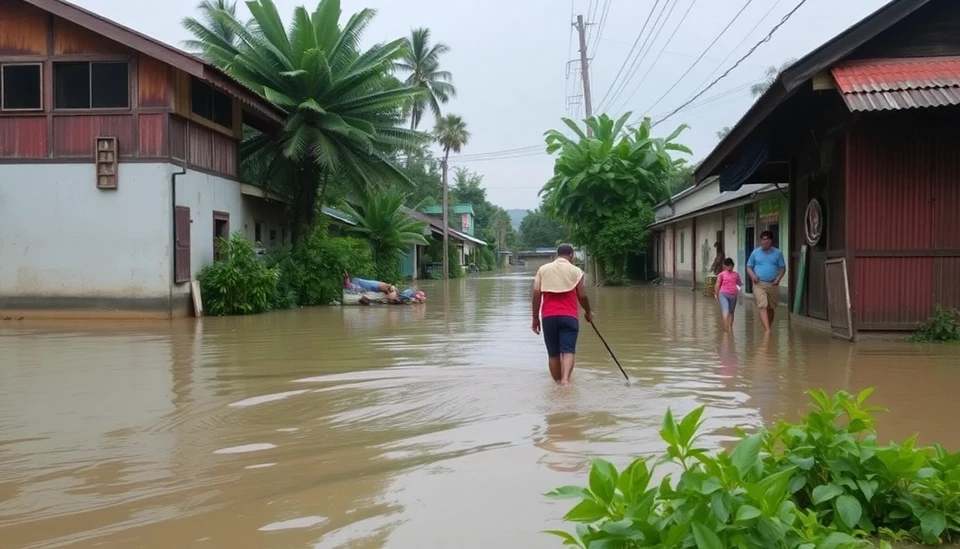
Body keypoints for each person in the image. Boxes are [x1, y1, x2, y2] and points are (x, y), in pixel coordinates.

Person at [531, 244, 594, 386]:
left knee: (553, 353)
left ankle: (557, 383)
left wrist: (535, 318)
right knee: (568, 350)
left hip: (548, 317)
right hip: (569, 317)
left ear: (556, 254)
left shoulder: (543, 270)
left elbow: (536, 295)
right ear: (571, 255)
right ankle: (566, 380)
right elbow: (582, 296)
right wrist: (588, 312)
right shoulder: (576, 271)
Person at [746, 230, 786, 332]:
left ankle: (768, 327)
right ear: (761, 241)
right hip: (759, 283)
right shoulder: (755, 253)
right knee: (762, 306)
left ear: (771, 241)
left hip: (773, 283)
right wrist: (752, 276)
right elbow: (749, 266)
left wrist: (778, 279)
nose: (765, 242)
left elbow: (782, 268)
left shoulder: (778, 253)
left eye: (768, 239)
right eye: (763, 240)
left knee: (771, 308)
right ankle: (767, 331)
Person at [714, 258, 742, 332]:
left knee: (731, 312)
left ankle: (730, 327)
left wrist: (738, 292)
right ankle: (726, 327)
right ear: (725, 266)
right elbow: (717, 284)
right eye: (727, 266)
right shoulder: (721, 275)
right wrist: (716, 294)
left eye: (730, 266)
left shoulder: (736, 275)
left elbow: (739, 284)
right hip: (723, 294)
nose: (729, 267)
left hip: (733, 295)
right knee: (725, 310)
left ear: (732, 265)